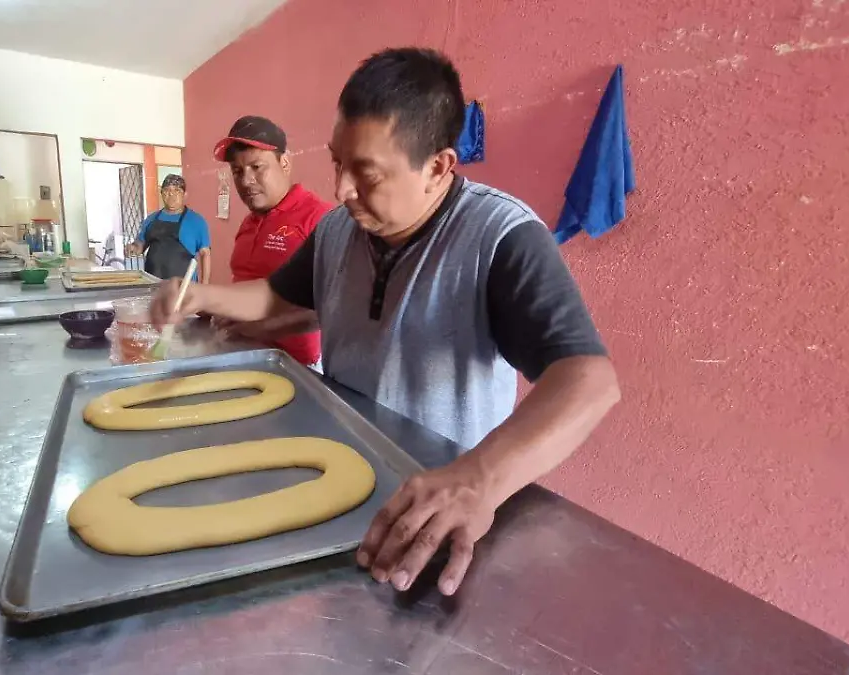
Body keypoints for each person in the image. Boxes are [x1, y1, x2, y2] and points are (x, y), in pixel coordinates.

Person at [150, 48, 620, 596]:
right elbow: (278, 301)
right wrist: (198, 294)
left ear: (439, 167)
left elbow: (588, 381)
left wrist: (478, 479)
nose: (342, 189)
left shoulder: (499, 238)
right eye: (337, 163)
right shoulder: (337, 232)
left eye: (366, 173)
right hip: (336, 482)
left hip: (435, 516)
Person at [211, 116, 331, 368]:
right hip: (243, 352)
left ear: (284, 162)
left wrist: (259, 328)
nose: (245, 181)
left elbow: (327, 308)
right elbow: (246, 283)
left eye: (256, 167)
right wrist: (213, 305)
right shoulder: (248, 222)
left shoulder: (319, 218)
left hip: (298, 367)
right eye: (237, 171)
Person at [127, 174, 211, 283]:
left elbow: (205, 254)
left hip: (183, 290)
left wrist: (204, 285)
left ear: (185, 195)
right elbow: (140, 244)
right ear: (161, 193)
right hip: (152, 285)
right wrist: (133, 248)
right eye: (167, 190)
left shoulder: (196, 221)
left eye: (177, 191)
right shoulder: (151, 219)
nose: (171, 195)